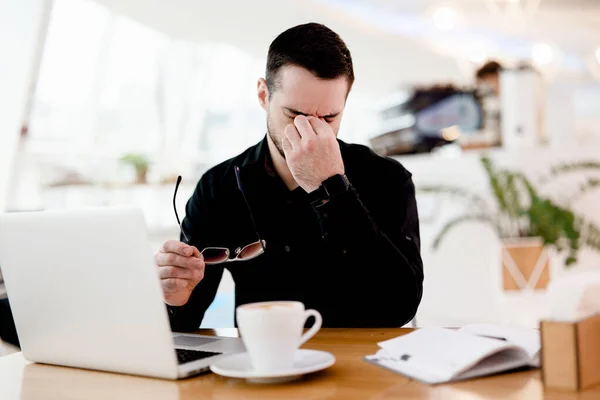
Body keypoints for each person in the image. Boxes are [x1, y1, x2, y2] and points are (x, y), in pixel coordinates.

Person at [154, 23, 423, 330]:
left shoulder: (386, 178)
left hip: (361, 365)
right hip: (262, 365)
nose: (309, 131)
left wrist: (332, 188)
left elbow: (400, 307)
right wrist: (174, 297)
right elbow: (186, 321)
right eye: (294, 115)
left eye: (328, 117)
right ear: (263, 95)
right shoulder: (220, 187)